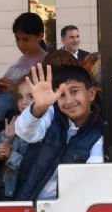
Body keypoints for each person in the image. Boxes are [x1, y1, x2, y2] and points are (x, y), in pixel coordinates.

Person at [13, 64, 103, 201]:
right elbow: (25, 132)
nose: (69, 101)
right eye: (61, 95)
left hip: (68, 209)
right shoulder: (50, 114)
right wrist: (38, 108)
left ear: (91, 94)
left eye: (74, 91)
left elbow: (91, 180)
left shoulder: (99, 132)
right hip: (30, 205)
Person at [0, 72, 33, 199]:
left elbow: (35, 167)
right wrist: (4, 144)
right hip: (6, 189)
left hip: (25, 193)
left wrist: (11, 155)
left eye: (30, 97)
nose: (24, 102)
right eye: (20, 97)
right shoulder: (14, 123)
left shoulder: (44, 128)